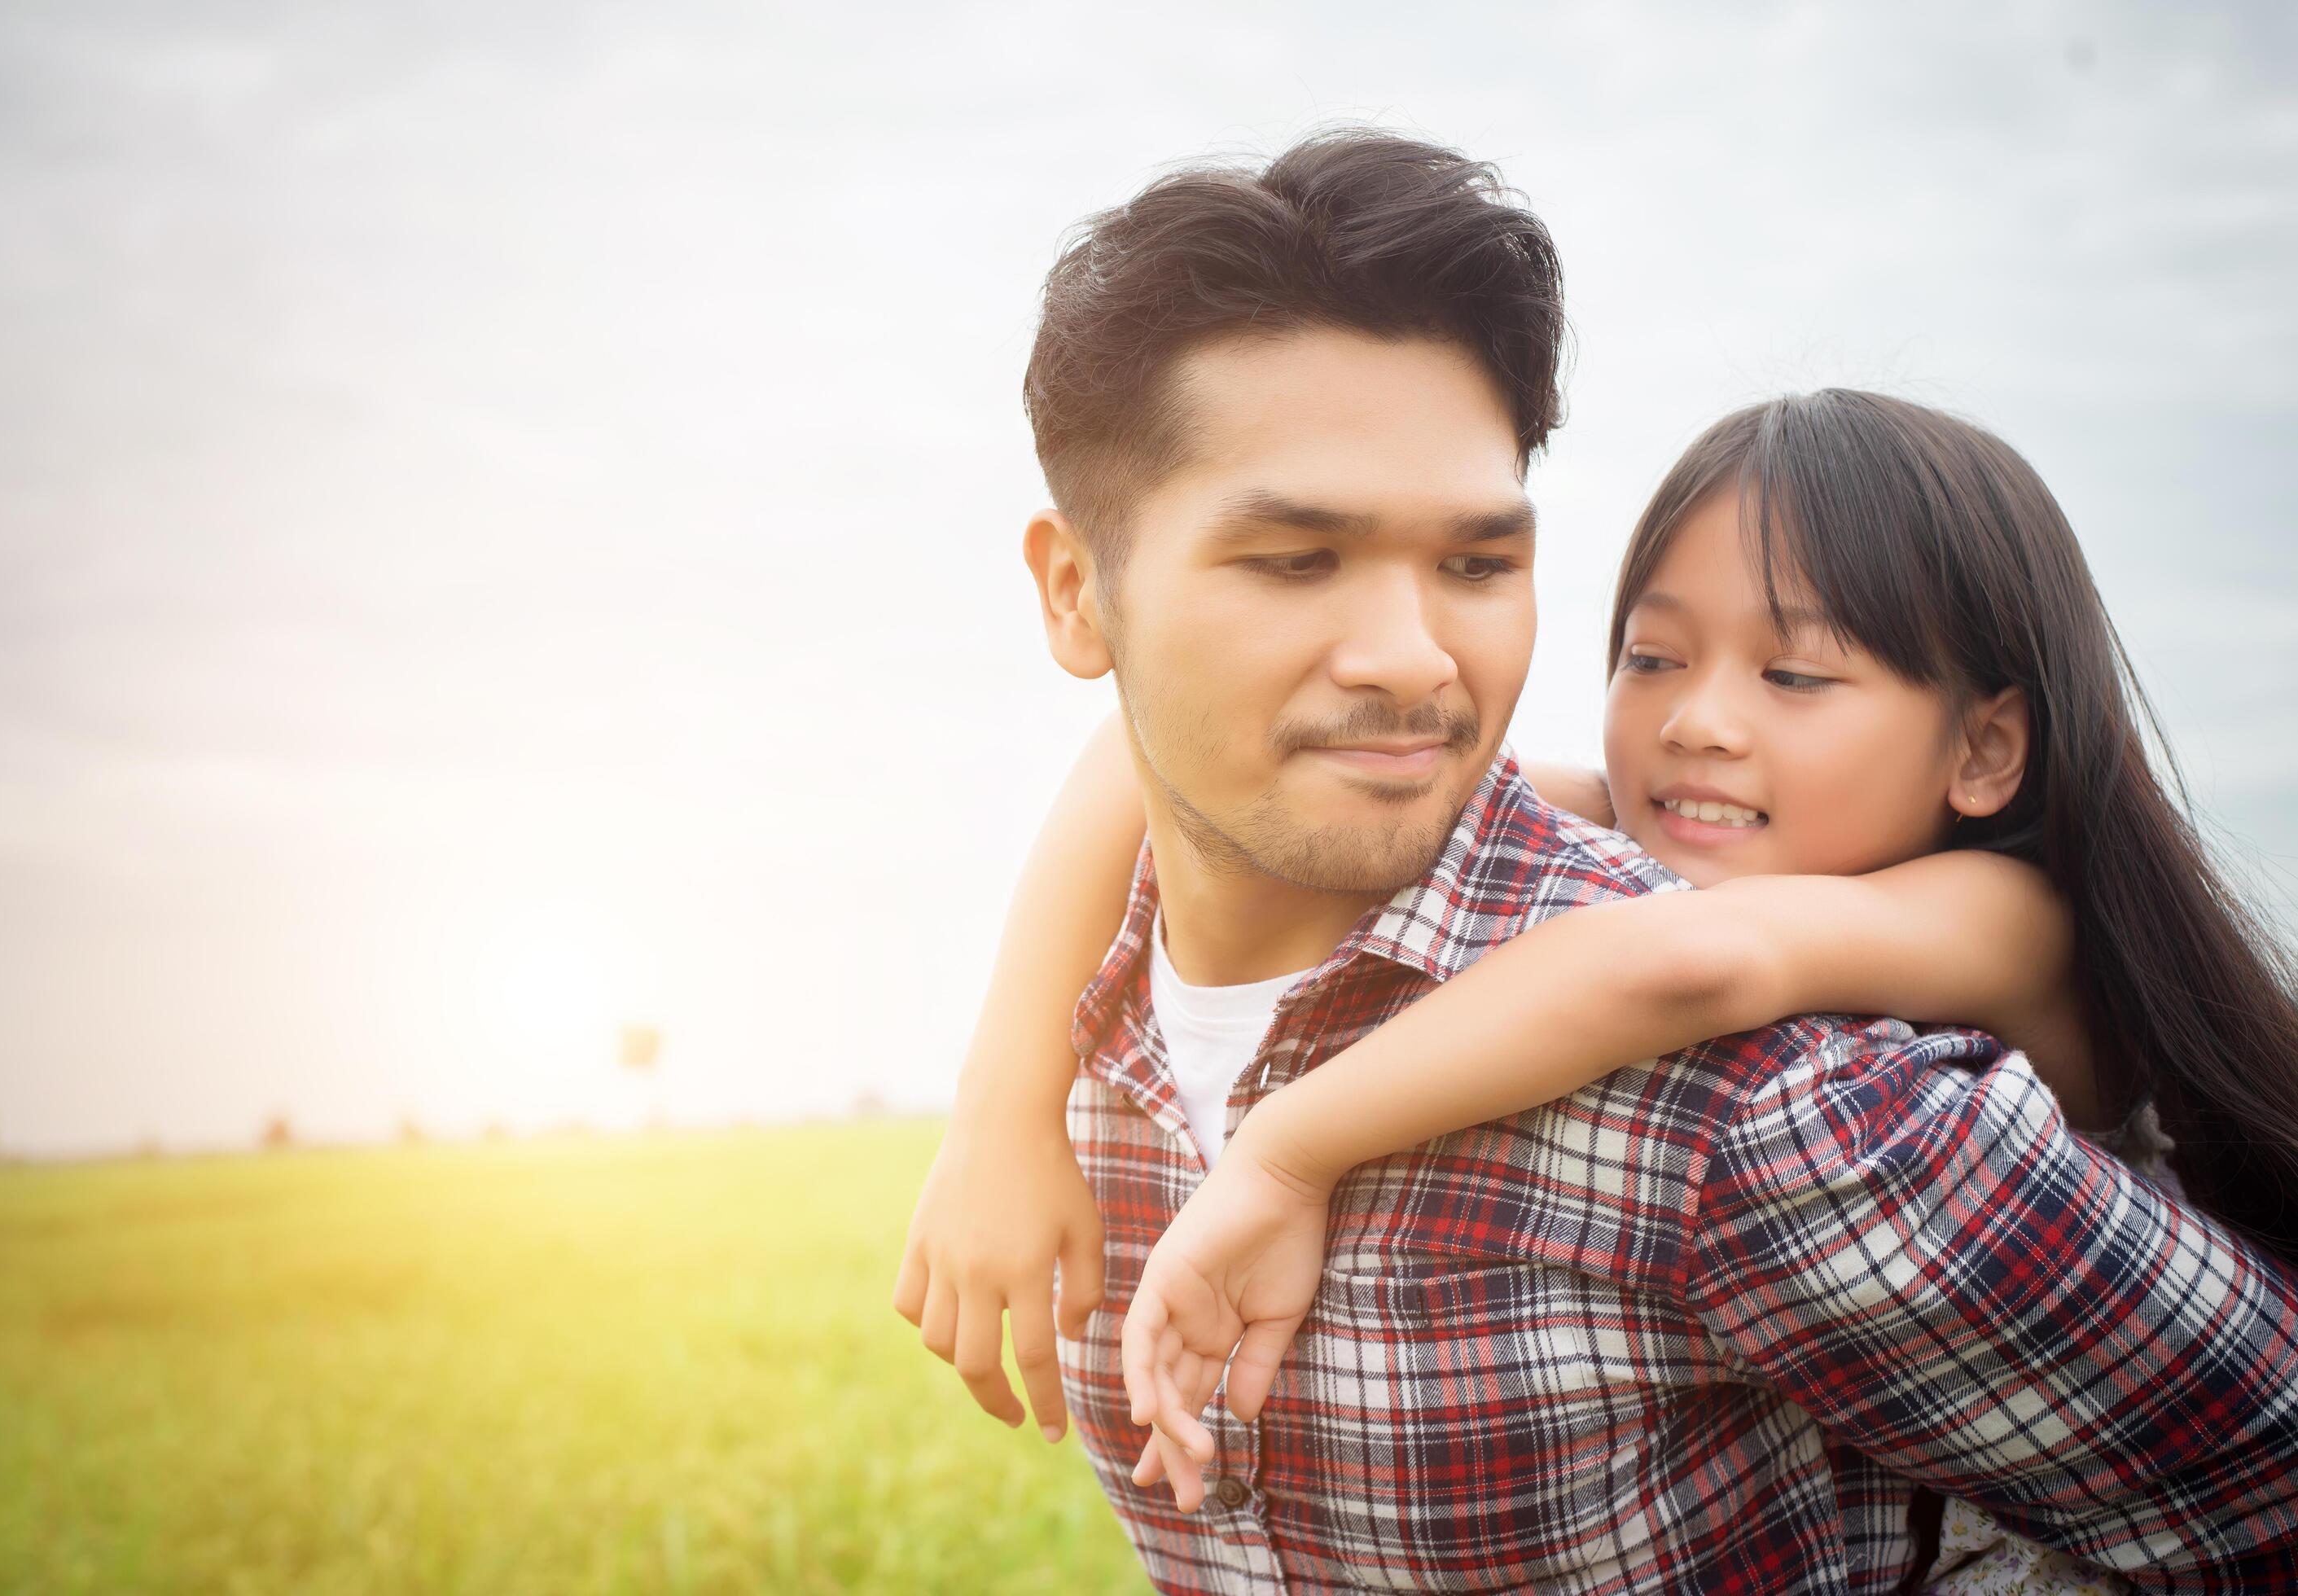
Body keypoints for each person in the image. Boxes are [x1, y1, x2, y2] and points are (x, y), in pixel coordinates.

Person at [892, 129, 2298, 1591]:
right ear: (1078, 595)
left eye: (1478, 564)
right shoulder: (1097, 1070)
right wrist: (1005, 1103)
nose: (1406, 659)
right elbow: (1133, 752)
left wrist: (1285, 1148)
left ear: (1985, 746)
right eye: (1295, 560)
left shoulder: (1793, 1107)